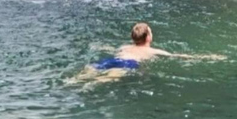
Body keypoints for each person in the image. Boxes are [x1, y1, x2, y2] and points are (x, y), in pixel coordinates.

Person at [74, 22, 224, 84]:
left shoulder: (124, 47)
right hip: (128, 64)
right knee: (108, 78)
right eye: (151, 32)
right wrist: (208, 57)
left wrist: (99, 46)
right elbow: (179, 56)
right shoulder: (152, 51)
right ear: (148, 37)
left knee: (91, 70)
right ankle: (89, 86)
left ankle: (74, 81)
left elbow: (111, 50)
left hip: (112, 58)